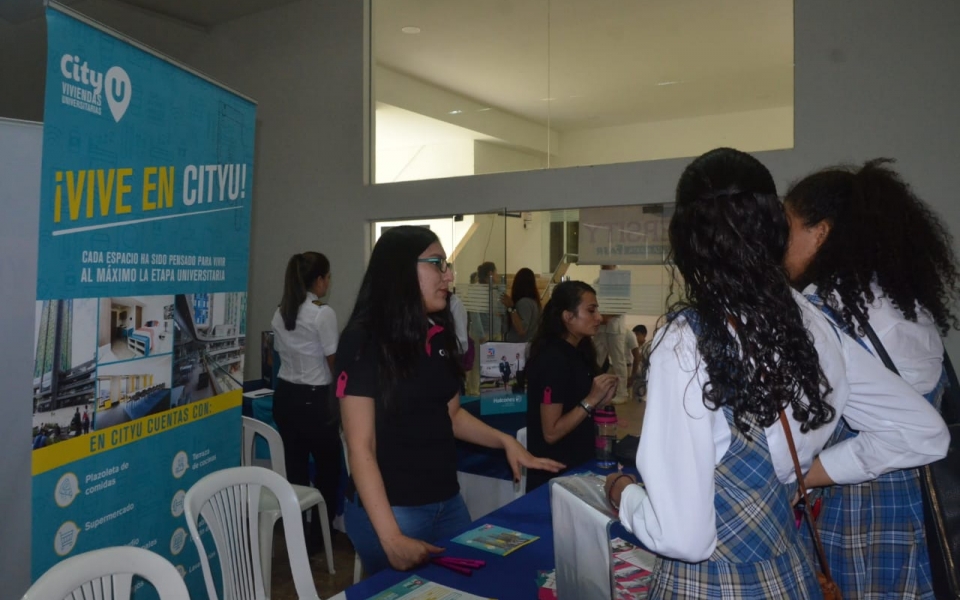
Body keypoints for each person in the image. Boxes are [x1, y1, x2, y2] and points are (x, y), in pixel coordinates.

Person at [604, 148, 949, 597]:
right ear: (772, 228)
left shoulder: (684, 339)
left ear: (687, 239)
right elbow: (922, 432)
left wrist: (622, 494)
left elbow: (684, 537)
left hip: (709, 585)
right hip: (789, 576)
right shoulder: (816, 322)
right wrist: (806, 474)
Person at [336, 226, 563, 575]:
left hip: (447, 501)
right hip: (394, 510)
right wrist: (392, 538)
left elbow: (451, 413)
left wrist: (505, 442)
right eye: (437, 264)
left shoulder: (437, 334)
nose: (449, 275)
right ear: (400, 270)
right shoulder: (363, 341)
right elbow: (360, 446)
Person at [783, 158, 960, 598]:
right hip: (920, 504)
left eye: (788, 227)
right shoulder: (902, 302)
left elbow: (907, 433)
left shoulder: (827, 312)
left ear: (820, 232)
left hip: (864, 511)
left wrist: (809, 475)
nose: (777, 242)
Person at [270, 251, 341, 549]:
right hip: (315, 401)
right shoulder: (322, 313)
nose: (329, 282)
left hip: (286, 396)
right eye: (327, 277)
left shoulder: (280, 311)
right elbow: (334, 362)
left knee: (295, 469)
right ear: (318, 280)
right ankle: (318, 537)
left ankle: (298, 534)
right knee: (330, 466)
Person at [525, 280, 619, 492]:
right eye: (591, 310)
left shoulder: (580, 352)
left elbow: (575, 406)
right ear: (568, 317)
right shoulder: (552, 360)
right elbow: (551, 432)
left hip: (580, 467)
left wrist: (601, 399)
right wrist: (591, 400)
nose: (599, 318)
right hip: (556, 477)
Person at [593, 265, 629, 404]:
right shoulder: (597, 281)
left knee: (618, 360)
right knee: (596, 359)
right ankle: (593, 390)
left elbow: (623, 304)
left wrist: (606, 316)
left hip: (615, 326)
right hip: (600, 325)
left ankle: (622, 392)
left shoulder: (621, 278)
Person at [501, 267, 541, 343]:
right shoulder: (534, 302)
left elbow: (521, 329)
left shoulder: (524, 303)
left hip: (519, 347)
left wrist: (511, 308)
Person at [632, 324, 651, 400]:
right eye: (634, 335)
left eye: (637, 334)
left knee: (643, 401)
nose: (635, 337)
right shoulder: (633, 348)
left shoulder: (648, 347)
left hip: (644, 380)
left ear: (644, 334)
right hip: (636, 379)